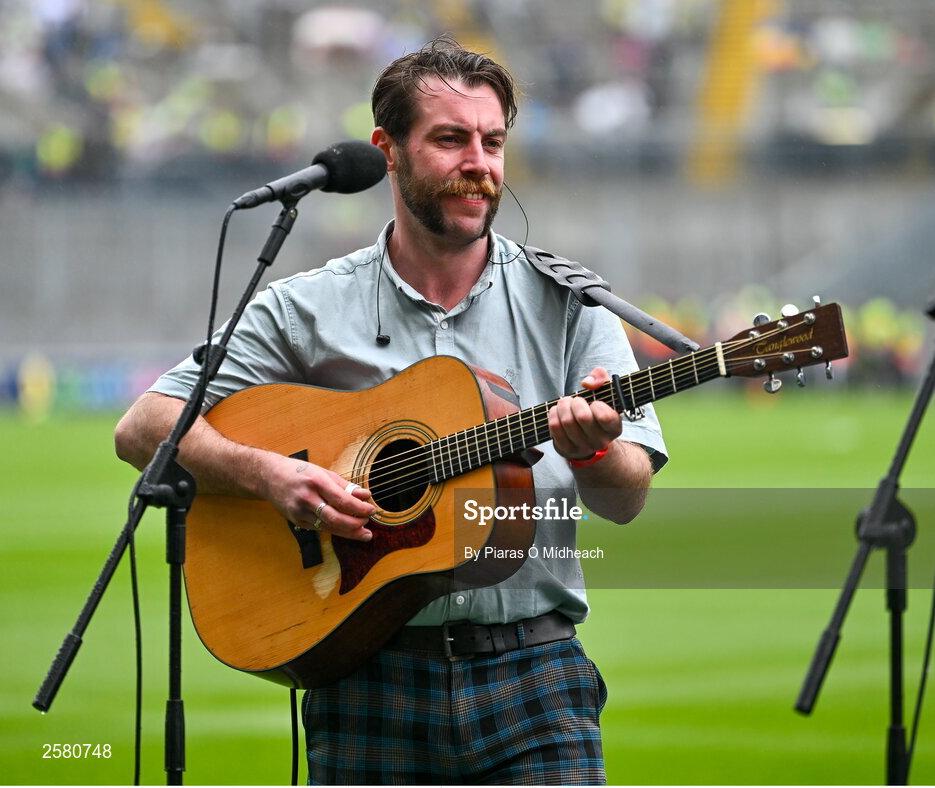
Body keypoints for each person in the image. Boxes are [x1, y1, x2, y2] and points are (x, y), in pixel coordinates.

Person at [115, 36, 667, 785]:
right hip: (362, 675)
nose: (479, 162)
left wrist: (593, 449)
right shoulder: (307, 307)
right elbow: (145, 424)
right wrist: (268, 474)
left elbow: (627, 500)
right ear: (389, 151)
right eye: (450, 139)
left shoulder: (572, 302)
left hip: (536, 680)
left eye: (493, 141)